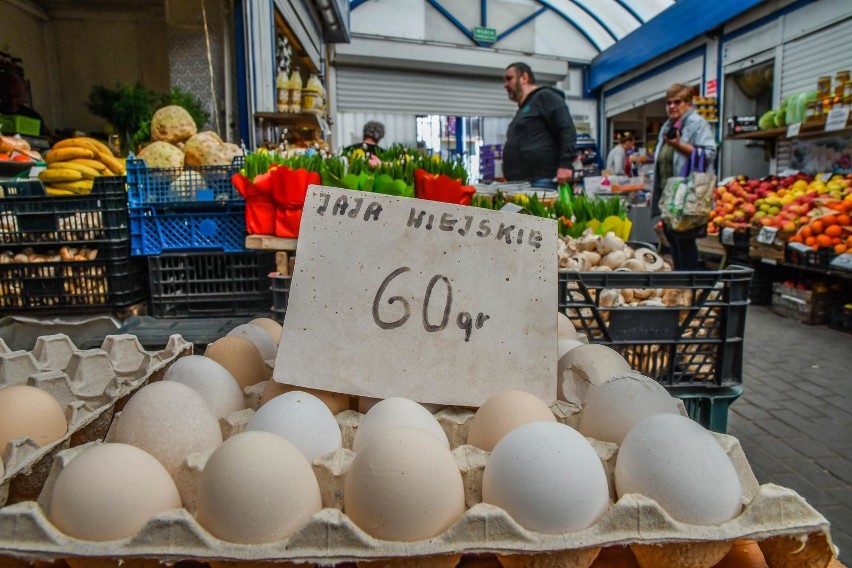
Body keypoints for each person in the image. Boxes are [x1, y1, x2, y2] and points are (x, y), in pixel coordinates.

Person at [651, 83, 716, 271]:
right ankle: (681, 281)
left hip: (687, 195)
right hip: (671, 196)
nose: (672, 106)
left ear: (688, 103)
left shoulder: (696, 123)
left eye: (677, 102)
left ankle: (689, 284)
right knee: (673, 239)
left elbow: (710, 152)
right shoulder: (668, 126)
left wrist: (679, 145)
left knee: (685, 241)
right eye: (668, 103)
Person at [502, 62, 576, 190]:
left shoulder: (545, 96)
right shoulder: (525, 108)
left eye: (509, 79)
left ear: (524, 78)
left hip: (541, 181)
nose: (505, 84)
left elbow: (566, 128)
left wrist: (565, 164)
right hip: (521, 183)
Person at [0, 68, 49, 136]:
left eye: (18, 97)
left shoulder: (34, 117)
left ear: (24, 94)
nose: (13, 101)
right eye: (8, 96)